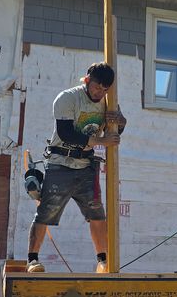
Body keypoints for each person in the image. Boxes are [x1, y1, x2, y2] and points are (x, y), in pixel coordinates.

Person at [26, 61, 125, 274]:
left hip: (86, 166)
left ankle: (103, 261)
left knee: (97, 213)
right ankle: (32, 260)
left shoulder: (109, 103)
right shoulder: (68, 98)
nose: (100, 93)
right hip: (61, 162)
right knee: (46, 211)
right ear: (87, 80)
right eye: (97, 87)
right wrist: (101, 141)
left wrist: (120, 121)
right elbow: (66, 134)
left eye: (105, 89)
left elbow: (115, 132)